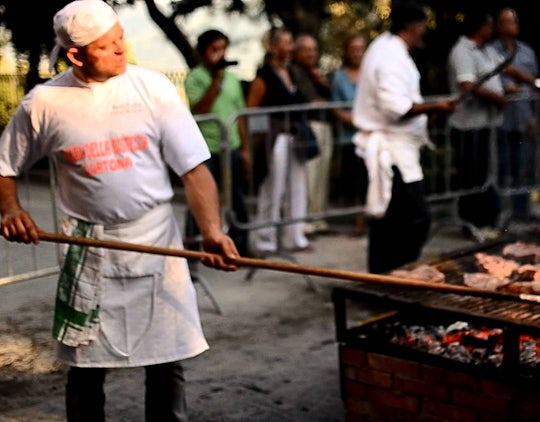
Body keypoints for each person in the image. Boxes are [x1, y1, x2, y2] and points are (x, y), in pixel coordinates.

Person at [0, 1, 240, 420]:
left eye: (120, 39)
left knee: (167, 359)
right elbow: (4, 165)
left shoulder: (153, 89)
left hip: (157, 242)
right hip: (88, 247)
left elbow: (194, 169)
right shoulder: (44, 103)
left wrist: (213, 230)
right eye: (106, 46)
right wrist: (10, 210)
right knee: (86, 366)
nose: (120, 51)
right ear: (75, 55)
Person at [352, 2, 456, 274]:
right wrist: (435, 107)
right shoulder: (389, 55)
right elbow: (394, 107)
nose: (424, 31)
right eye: (422, 25)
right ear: (414, 25)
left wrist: (428, 113)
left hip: (397, 145)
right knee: (415, 219)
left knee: (391, 221)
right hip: (392, 148)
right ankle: (397, 276)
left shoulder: (387, 47)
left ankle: (384, 277)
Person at [184, 29, 251, 259]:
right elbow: (201, 107)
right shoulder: (195, 77)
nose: (221, 54)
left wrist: (245, 148)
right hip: (206, 149)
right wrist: (216, 80)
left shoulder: (233, 78)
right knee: (202, 200)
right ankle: (193, 250)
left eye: (223, 48)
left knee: (237, 199)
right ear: (204, 52)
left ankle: (241, 249)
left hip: (230, 146)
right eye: (215, 49)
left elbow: (239, 114)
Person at [246, 27, 311, 253]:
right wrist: (250, 146)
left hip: (295, 136)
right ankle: (265, 239)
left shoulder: (291, 73)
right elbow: (251, 112)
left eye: (290, 42)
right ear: (273, 47)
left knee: (297, 187)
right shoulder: (263, 76)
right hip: (274, 138)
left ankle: (296, 236)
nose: (289, 47)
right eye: (285, 42)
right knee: (272, 189)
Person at [491, 7, 540, 223]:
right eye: (508, 21)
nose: (514, 25)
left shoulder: (527, 52)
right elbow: (494, 85)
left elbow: (534, 89)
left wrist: (534, 117)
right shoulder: (491, 52)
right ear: (499, 26)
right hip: (500, 120)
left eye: (515, 21)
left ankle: (521, 212)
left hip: (524, 118)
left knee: (524, 167)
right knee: (501, 168)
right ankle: (500, 214)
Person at [446, 11, 505, 240]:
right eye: (490, 25)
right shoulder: (462, 51)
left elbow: (502, 69)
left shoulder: (486, 50)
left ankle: (485, 220)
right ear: (480, 26)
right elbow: (467, 84)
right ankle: (472, 223)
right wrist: (496, 97)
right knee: (472, 176)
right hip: (467, 125)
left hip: (484, 123)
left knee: (484, 174)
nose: (493, 30)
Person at [289, 34, 334, 236]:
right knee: (309, 176)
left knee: (321, 176)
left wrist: (323, 83)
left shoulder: (317, 73)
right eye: (305, 49)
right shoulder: (294, 71)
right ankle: (305, 221)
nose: (310, 53)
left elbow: (331, 96)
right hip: (308, 126)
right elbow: (310, 100)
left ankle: (318, 219)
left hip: (324, 125)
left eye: (313, 49)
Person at [330, 33, 368, 237]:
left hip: (372, 135)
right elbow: (335, 107)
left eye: (360, 48)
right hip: (350, 137)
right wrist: (354, 120)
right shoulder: (339, 77)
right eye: (353, 49)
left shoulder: (371, 74)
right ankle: (358, 221)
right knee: (355, 181)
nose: (357, 53)